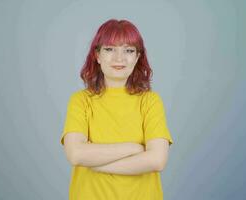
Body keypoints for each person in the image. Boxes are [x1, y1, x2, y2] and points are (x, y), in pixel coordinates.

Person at [60, 18, 174, 200]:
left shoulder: (150, 101)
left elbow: (157, 160)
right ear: (97, 55)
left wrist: (95, 163)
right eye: (109, 49)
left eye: (128, 50)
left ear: (137, 57)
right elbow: (76, 154)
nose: (119, 58)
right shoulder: (81, 101)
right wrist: (134, 148)